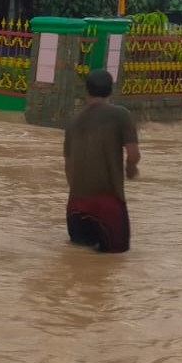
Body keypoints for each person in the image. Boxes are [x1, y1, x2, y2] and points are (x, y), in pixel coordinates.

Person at [63, 69, 140, 253]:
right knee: (114, 262)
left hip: (75, 207)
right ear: (110, 90)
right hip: (107, 205)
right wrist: (131, 168)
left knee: (79, 263)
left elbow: (68, 167)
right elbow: (133, 154)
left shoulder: (73, 122)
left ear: (86, 91)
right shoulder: (121, 115)